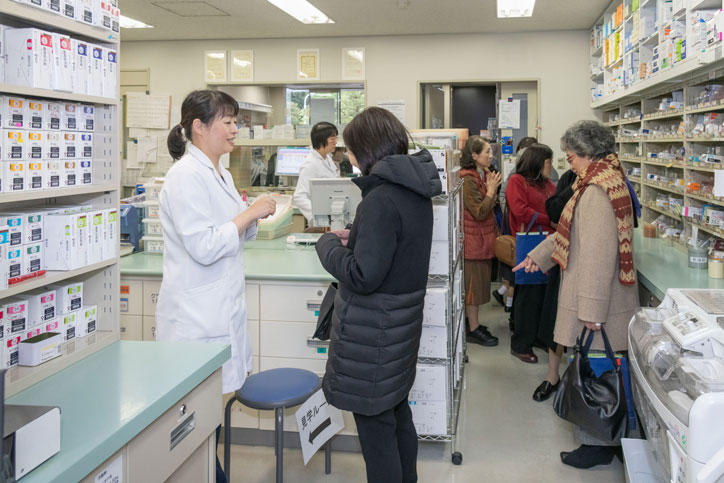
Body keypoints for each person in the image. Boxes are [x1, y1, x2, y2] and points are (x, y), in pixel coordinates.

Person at [155, 89, 276, 483]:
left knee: (209, 422)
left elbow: (235, 231)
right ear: (199, 127)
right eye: (227, 121)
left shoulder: (219, 172)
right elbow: (205, 246)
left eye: (235, 121)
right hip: (194, 320)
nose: (235, 129)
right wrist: (250, 213)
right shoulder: (185, 177)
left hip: (219, 311)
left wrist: (253, 217)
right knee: (195, 425)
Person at [315, 107, 441, 483]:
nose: (348, 156)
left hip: (373, 336)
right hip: (398, 331)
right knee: (398, 418)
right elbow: (393, 252)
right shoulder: (414, 190)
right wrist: (356, 237)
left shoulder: (380, 199)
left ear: (367, 150)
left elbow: (363, 275)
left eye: (351, 149)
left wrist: (327, 246)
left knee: (376, 436)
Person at [515, 120, 639, 469]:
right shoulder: (603, 180)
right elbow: (572, 233)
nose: (568, 163)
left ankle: (598, 444)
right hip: (603, 299)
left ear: (587, 153)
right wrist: (539, 257)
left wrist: (592, 311)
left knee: (596, 373)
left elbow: (597, 255)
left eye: (570, 157)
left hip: (599, 303)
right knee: (597, 367)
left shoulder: (597, 191)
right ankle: (604, 439)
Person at [505, 143, 556, 363]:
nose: (551, 166)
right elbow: (520, 211)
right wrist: (548, 219)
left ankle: (537, 337)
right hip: (530, 245)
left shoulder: (547, 184)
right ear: (537, 162)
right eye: (548, 162)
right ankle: (521, 344)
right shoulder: (517, 181)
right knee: (528, 296)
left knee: (542, 294)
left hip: (548, 244)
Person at [531, 168, 577, 402]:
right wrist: (574, 188)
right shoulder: (571, 177)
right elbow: (554, 211)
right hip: (564, 257)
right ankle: (552, 376)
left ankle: (582, 380)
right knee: (555, 317)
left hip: (592, 265)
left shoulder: (610, 182)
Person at [459, 136, 501, 346]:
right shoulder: (467, 180)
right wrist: (491, 191)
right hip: (473, 242)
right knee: (473, 289)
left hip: (481, 240)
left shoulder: (480, 176)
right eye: (487, 152)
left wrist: (491, 190)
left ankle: (473, 323)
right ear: (474, 155)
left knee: (478, 286)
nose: (491, 156)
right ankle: (473, 329)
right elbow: (479, 212)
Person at [495, 136, 539, 315]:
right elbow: (517, 207)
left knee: (515, 270)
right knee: (516, 268)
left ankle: (504, 297)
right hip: (520, 229)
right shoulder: (516, 177)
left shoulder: (518, 174)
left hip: (523, 229)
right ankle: (509, 303)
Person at [292, 121, 340, 224]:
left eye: (336, 138)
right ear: (321, 140)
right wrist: (319, 216)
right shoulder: (310, 165)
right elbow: (299, 197)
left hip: (332, 216)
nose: (335, 142)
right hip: (322, 221)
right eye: (332, 139)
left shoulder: (327, 158)